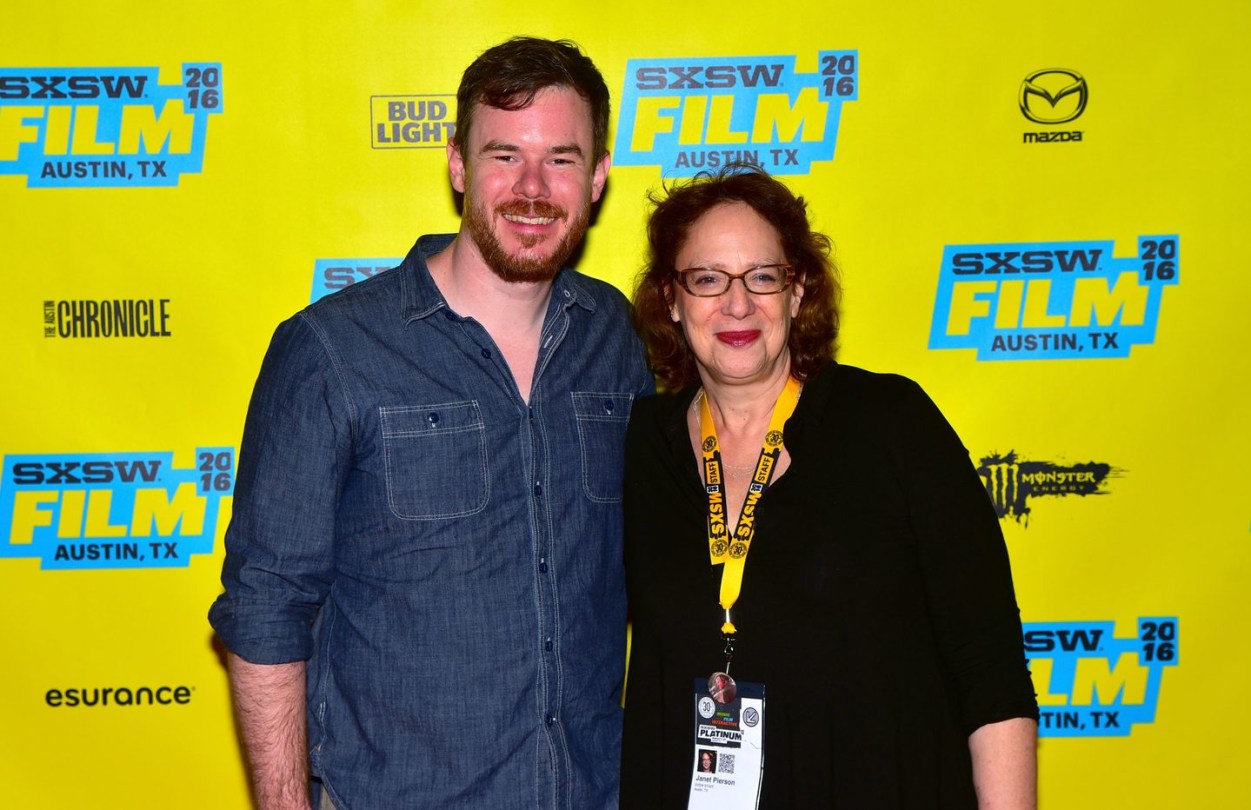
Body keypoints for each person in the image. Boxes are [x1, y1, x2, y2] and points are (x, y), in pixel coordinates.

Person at [208, 37, 652, 810]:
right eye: (503, 155)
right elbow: (265, 610)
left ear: (598, 179)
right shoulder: (333, 350)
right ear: (457, 165)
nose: (532, 187)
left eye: (561, 159)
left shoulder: (617, 339)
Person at [620, 164, 1039, 808]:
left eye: (763, 276)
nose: (738, 304)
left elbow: (989, 665)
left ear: (798, 291)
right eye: (707, 279)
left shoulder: (892, 423)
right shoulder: (640, 446)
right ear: (671, 300)